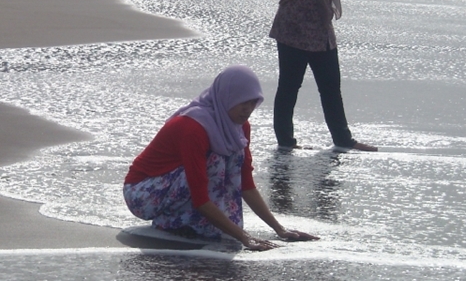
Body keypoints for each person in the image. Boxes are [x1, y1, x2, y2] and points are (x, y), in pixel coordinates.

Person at [123, 66, 319, 251]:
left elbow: (246, 183)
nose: (248, 109)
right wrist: (244, 237)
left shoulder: (239, 127)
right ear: (227, 97)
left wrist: (280, 229)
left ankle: (189, 223)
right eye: (243, 102)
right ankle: (172, 222)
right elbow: (200, 196)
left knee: (232, 159)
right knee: (216, 162)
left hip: (176, 187)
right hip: (143, 193)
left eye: (253, 103)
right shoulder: (193, 127)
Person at [255, 0, 377, 152]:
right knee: (289, 87)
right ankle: (286, 143)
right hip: (294, 28)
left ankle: (343, 140)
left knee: (331, 86)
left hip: (321, 28)